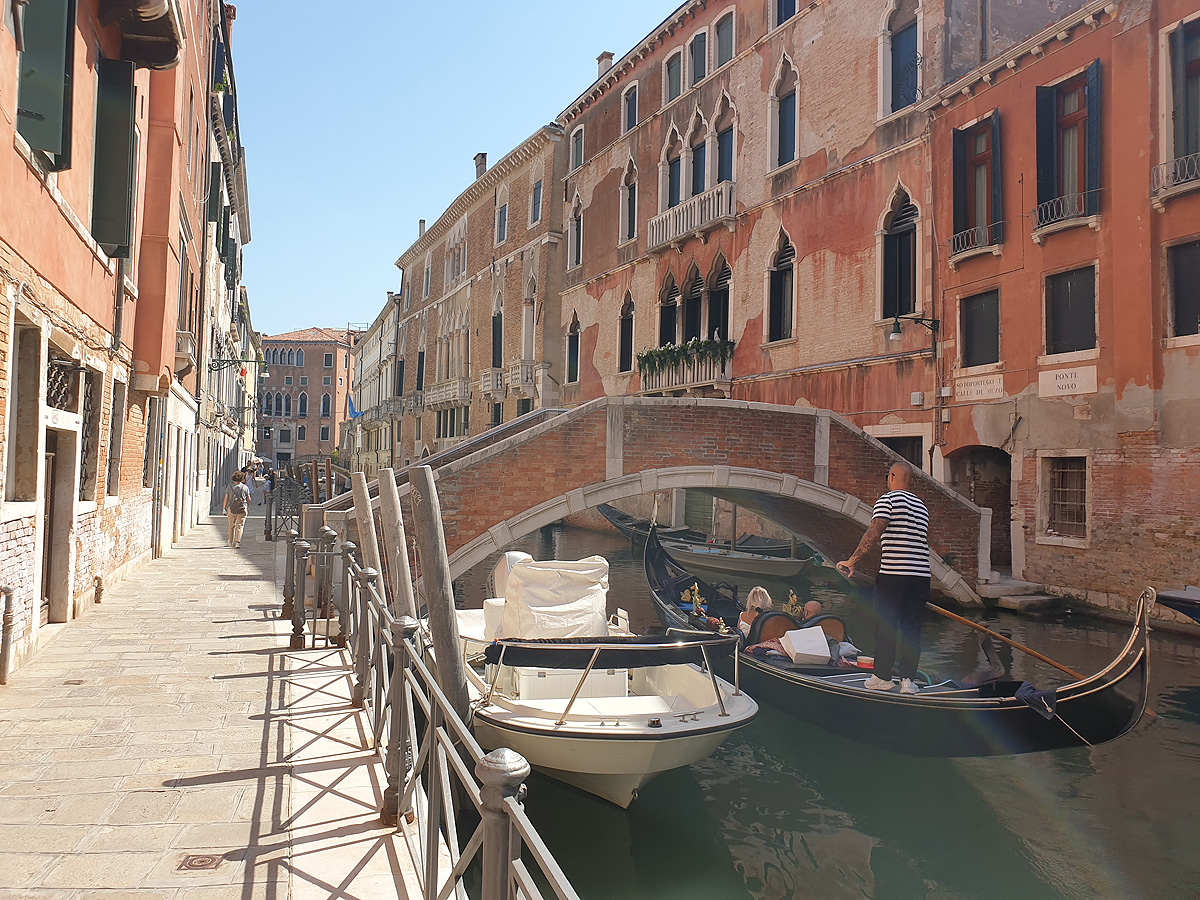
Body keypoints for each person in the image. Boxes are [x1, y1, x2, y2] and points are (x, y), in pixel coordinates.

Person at [837, 461, 931, 694]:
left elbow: (874, 531)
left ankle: (882, 677)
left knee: (886, 625)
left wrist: (852, 561)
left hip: (894, 575)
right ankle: (908, 681)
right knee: (911, 629)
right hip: (921, 576)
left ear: (891, 477)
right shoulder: (922, 507)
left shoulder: (887, 500)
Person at [222, 470, 252, 549]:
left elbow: (226, 499)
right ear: (242, 479)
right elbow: (249, 499)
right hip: (242, 509)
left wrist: (224, 509)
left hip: (231, 509)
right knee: (240, 525)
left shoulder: (229, 487)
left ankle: (230, 541)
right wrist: (247, 506)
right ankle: (237, 542)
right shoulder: (245, 487)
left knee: (231, 525)